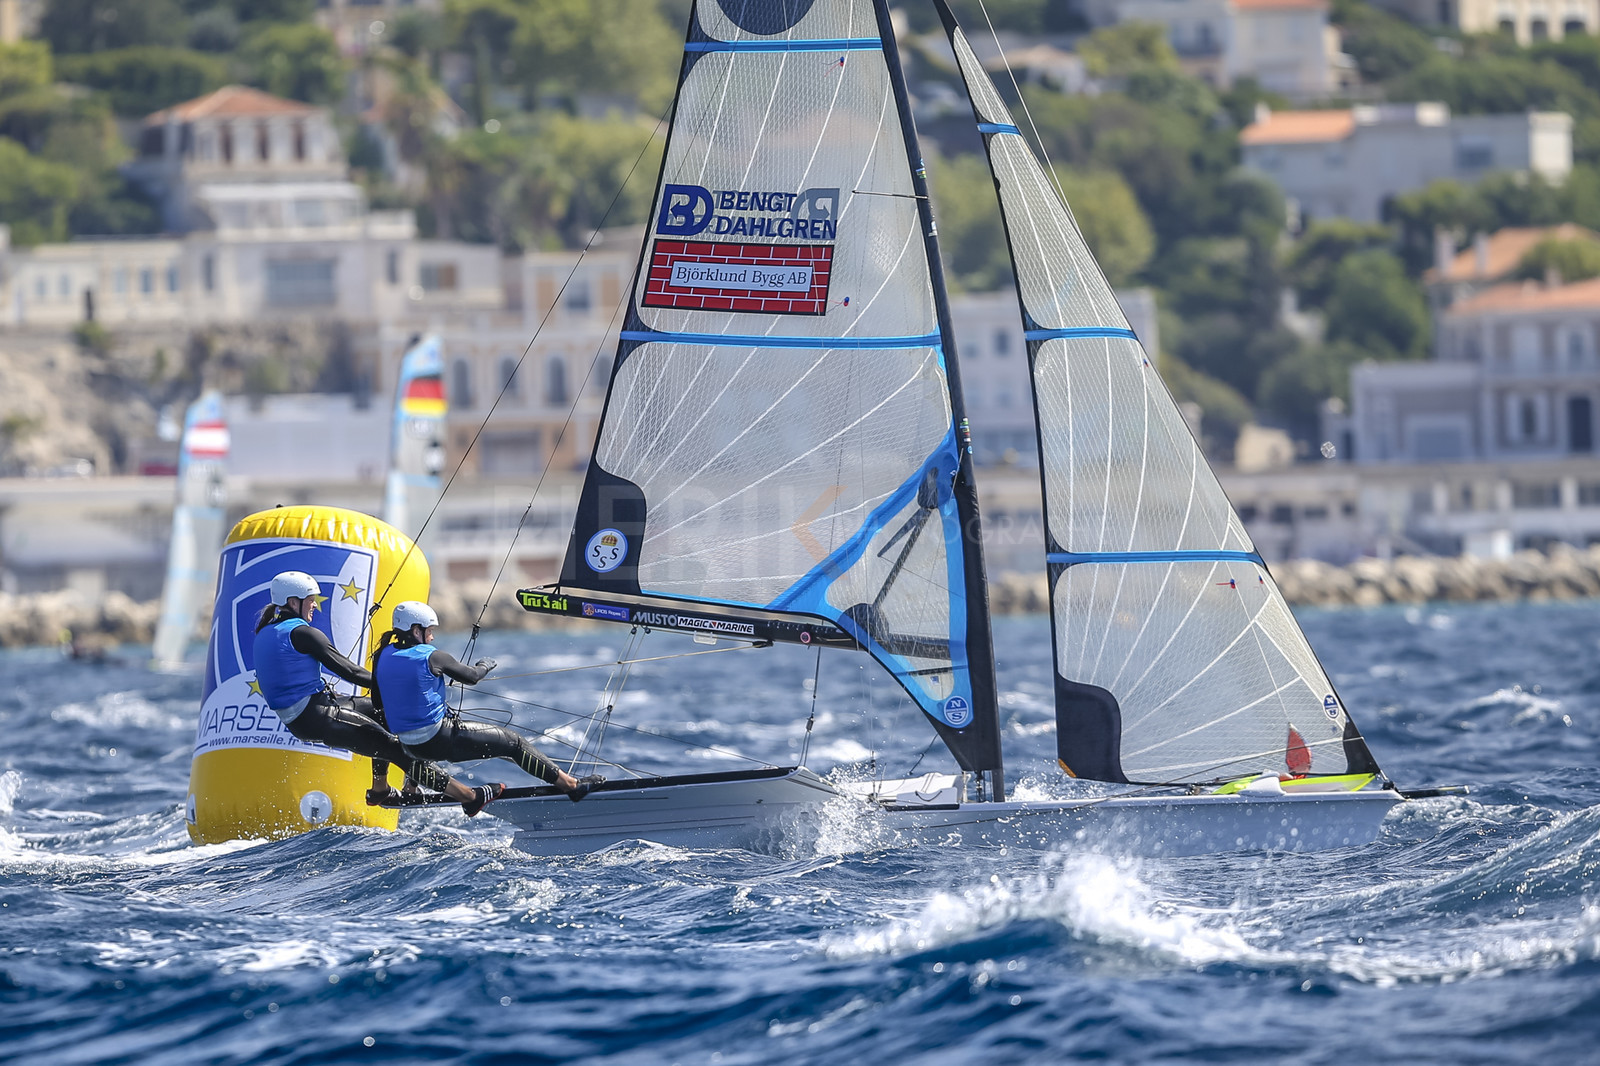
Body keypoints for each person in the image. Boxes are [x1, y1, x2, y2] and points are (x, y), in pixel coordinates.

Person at [251, 571, 501, 817]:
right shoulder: (303, 634)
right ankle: (469, 797)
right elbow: (349, 671)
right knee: (394, 748)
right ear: (293, 602)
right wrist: (394, 683)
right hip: (316, 715)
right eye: (310, 600)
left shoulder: (267, 632)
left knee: (384, 711)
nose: (315, 604)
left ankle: (380, 789)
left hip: (310, 712)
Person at [372, 601, 599, 801]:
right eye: (429, 631)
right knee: (514, 744)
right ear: (415, 630)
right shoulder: (432, 656)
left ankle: (411, 789)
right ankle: (571, 785)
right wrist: (485, 665)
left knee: (423, 733)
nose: (432, 637)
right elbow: (472, 677)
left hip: (410, 745)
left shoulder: (382, 655)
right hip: (439, 739)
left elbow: (378, 702)